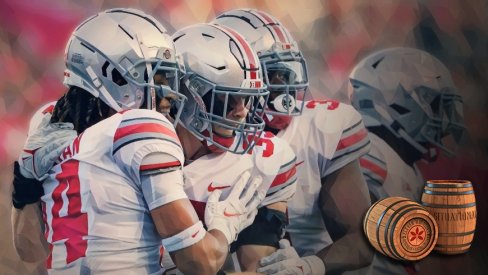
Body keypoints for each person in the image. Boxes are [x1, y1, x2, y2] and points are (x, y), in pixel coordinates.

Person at [11, 9, 264, 274]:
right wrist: (224, 227)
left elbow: (31, 251)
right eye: (158, 76)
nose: (170, 91)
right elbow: (199, 262)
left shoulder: (57, 134)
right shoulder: (143, 128)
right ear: (113, 75)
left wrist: (26, 181)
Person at [213, 9, 373, 275]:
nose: (283, 86)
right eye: (270, 74)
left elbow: (363, 239)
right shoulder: (201, 136)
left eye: (285, 73)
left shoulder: (320, 128)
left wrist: (309, 266)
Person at [160, 23, 298, 274]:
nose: (242, 110)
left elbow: (257, 267)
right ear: (185, 94)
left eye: (245, 97)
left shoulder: (257, 160)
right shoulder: (140, 143)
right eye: (227, 97)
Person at [347, 47, 466, 274]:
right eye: (433, 105)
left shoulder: (404, 167)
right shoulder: (370, 157)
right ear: (396, 104)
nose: (441, 120)